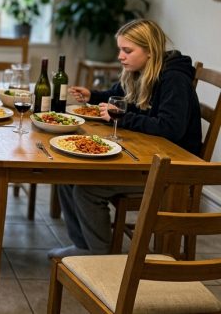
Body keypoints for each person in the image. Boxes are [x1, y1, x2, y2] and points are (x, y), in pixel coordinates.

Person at [49, 19, 202, 258]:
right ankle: (83, 246)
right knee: (66, 175)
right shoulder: (141, 71)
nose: (120, 56)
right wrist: (93, 95)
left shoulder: (174, 79)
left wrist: (122, 117)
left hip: (172, 169)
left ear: (150, 51)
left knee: (87, 189)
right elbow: (117, 95)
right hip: (148, 155)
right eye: (120, 49)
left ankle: (99, 256)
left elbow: (170, 128)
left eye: (127, 50)